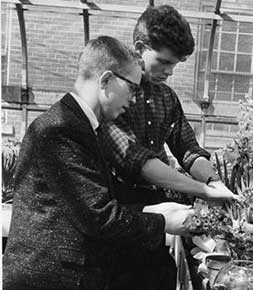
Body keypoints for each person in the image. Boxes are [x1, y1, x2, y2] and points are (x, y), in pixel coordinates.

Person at [3, 35, 194, 290]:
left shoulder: (82, 126)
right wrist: (163, 222)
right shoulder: (60, 130)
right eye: (132, 88)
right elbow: (98, 217)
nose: (135, 99)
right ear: (106, 81)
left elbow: (93, 203)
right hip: (51, 279)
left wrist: (154, 210)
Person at [100, 5, 238, 290]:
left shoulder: (166, 96)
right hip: (115, 213)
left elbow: (187, 148)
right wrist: (202, 191)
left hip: (154, 210)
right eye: (163, 62)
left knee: (160, 276)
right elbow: (133, 159)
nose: (170, 71)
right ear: (139, 47)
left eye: (175, 64)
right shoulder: (111, 93)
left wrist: (214, 181)